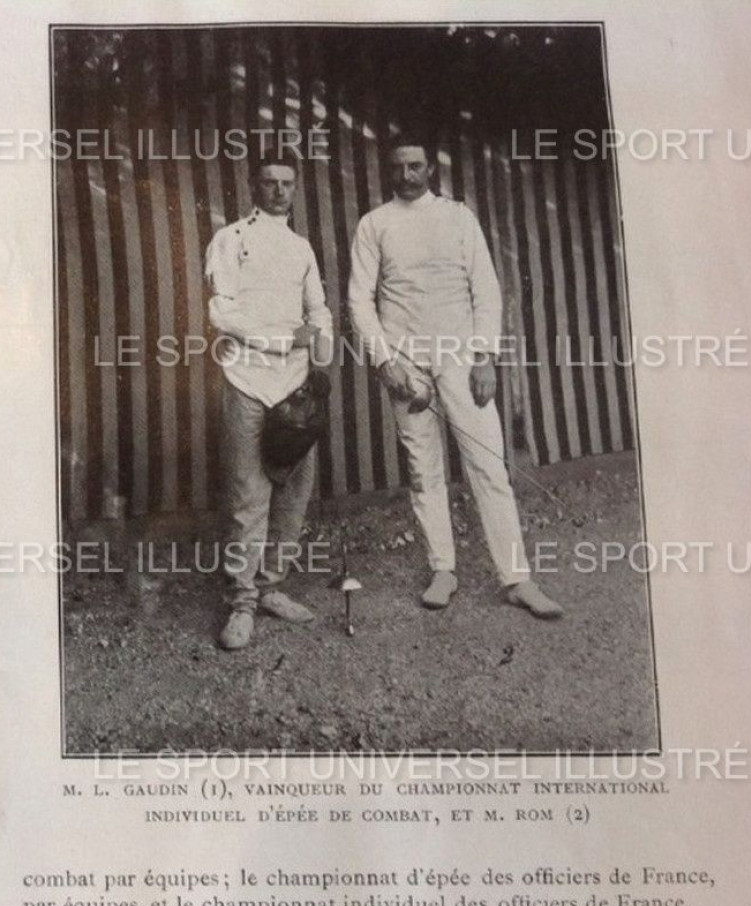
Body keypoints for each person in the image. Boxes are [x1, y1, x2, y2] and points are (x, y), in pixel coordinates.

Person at [347, 134, 563, 619]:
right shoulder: (373, 224)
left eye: (416, 165)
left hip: (461, 358)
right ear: (390, 170)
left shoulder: (459, 217)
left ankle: (517, 578)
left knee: (488, 465)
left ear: (431, 170)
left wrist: (485, 356)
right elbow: (359, 299)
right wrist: (386, 362)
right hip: (406, 363)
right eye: (399, 166)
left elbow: (485, 289)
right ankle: (442, 569)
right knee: (424, 471)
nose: (406, 175)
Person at [204, 151, 334, 649]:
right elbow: (223, 314)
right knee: (248, 495)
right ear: (254, 187)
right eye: (269, 182)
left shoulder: (301, 247)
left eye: (286, 183)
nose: (278, 190)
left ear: (294, 188)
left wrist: (319, 344)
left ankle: (270, 586)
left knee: (293, 494)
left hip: (295, 387)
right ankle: (241, 602)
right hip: (248, 382)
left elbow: (317, 307)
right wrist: (284, 340)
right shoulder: (230, 239)